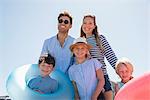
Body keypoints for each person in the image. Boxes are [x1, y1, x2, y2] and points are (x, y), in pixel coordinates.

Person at [80, 15, 118, 100]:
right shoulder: (80, 42)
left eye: (90, 23)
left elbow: (111, 56)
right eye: (85, 23)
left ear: (94, 26)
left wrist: (121, 71)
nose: (87, 25)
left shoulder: (100, 39)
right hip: (88, 80)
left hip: (103, 76)